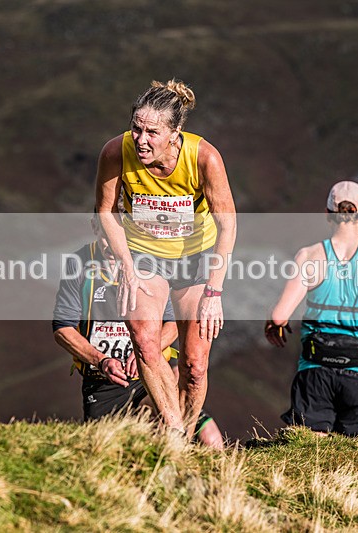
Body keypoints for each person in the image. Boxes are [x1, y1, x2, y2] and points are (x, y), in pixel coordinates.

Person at [94, 79, 237, 438]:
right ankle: (173, 433)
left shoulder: (204, 158)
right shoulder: (116, 151)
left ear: (175, 134)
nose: (142, 140)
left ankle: (186, 434)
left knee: (195, 364)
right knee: (144, 340)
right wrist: (126, 267)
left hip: (195, 257)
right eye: (136, 128)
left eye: (152, 132)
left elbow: (228, 225)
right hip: (144, 254)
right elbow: (105, 212)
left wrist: (214, 293)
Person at [53, 215, 225, 448]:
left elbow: (173, 323)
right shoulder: (79, 262)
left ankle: (201, 467)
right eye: (107, 231)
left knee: (207, 435)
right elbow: (63, 328)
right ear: (95, 226)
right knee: (107, 452)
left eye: (120, 233)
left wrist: (147, 349)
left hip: (149, 373)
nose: (112, 241)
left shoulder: (150, 261)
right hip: (103, 380)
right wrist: (101, 360)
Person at [264, 181, 358, 437]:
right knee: (356, 456)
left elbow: (280, 316)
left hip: (315, 368)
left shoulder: (308, 255)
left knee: (311, 454)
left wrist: (273, 324)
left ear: (327, 214)